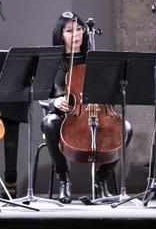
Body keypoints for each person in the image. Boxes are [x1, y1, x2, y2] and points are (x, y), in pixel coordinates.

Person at [40, 11, 132, 203]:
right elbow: (40, 96)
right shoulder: (51, 62)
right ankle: (64, 179)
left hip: (94, 112)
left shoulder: (93, 59)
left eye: (79, 29)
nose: (76, 34)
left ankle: (102, 179)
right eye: (69, 31)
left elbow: (109, 92)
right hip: (64, 117)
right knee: (50, 122)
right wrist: (54, 102)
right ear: (60, 35)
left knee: (126, 128)